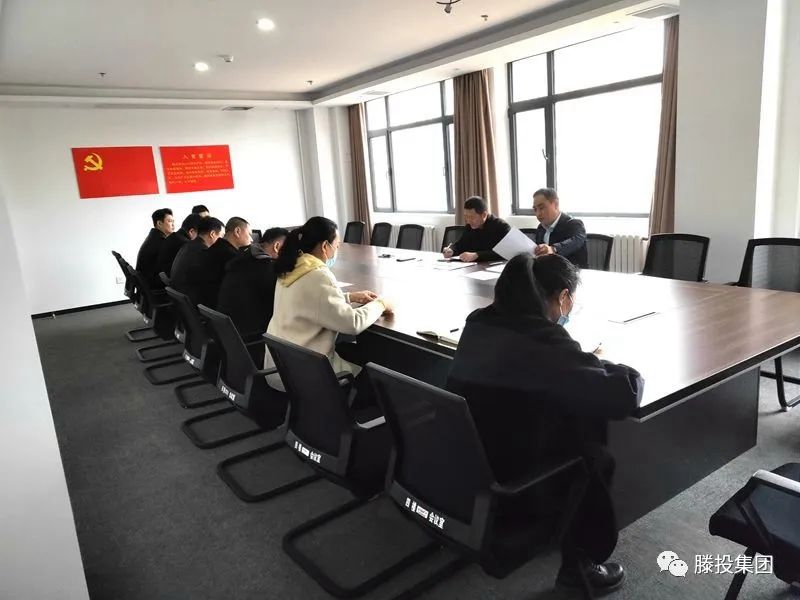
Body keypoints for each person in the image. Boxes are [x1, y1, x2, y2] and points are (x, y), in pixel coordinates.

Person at [446, 253, 643, 595]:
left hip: (467, 462)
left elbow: (538, 372)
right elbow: (621, 394)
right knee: (588, 444)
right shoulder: (543, 340)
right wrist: (601, 364)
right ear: (563, 297)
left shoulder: (479, 321)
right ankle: (579, 569)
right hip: (513, 479)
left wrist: (578, 362)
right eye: (571, 300)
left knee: (568, 412)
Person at [267, 217, 392, 403]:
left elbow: (309, 302)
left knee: (351, 350)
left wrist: (348, 297)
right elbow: (352, 323)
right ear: (325, 246)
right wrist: (381, 304)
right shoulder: (317, 275)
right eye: (337, 246)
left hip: (282, 367)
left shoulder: (292, 267)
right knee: (379, 364)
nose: (337, 251)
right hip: (309, 375)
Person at [217, 227, 288, 338]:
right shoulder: (267, 268)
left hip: (228, 332)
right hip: (250, 334)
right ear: (277, 247)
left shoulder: (242, 257)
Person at [192, 216, 252, 308]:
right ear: (237, 231)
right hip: (215, 307)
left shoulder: (215, 248)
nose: (251, 239)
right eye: (249, 234)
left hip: (203, 306)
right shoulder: (232, 257)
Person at [170, 216, 224, 301]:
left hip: (180, 299)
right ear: (212, 234)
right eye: (222, 236)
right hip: (191, 301)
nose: (223, 240)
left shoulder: (188, 245)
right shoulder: (203, 252)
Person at [532, 188, 588, 268]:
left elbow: (576, 241)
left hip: (572, 273)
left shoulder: (574, 224)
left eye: (541, 208)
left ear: (556, 204)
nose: (538, 214)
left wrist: (553, 249)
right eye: (535, 209)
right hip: (547, 272)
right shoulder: (541, 228)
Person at [443, 196, 510, 262]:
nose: (468, 221)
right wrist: (452, 250)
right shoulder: (470, 226)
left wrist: (478, 255)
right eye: (466, 217)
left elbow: (506, 252)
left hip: (496, 267)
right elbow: (460, 245)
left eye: (472, 217)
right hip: (475, 266)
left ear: (484, 215)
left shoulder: (501, 226)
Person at [155, 213, 202, 281]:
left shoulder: (171, 237)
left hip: (167, 281)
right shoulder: (186, 245)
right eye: (201, 235)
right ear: (191, 231)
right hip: (176, 283)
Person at [135, 208, 174, 287]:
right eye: (170, 221)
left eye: (173, 221)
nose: (173, 225)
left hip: (146, 283)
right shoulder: (160, 241)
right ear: (159, 223)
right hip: (153, 285)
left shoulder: (153, 236)